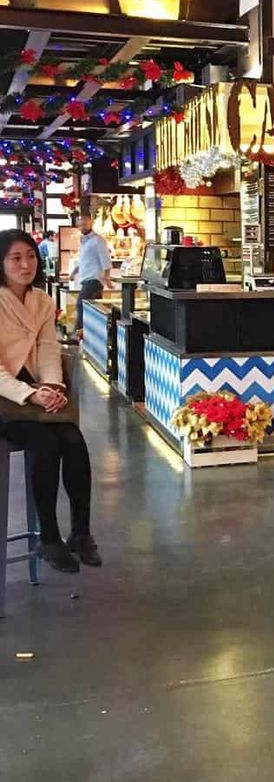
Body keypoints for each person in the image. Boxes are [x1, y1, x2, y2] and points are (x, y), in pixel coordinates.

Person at [0, 229, 99, 572]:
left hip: (36, 390)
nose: (26, 264)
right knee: (44, 443)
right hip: (6, 395)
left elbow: (47, 350)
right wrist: (29, 393)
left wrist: (53, 387)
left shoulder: (41, 300)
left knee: (73, 440)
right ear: (1, 263)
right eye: (15, 258)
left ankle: (81, 533)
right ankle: (49, 537)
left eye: (30, 256)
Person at [71, 213, 112, 334]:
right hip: (87, 280)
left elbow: (105, 259)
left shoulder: (97, 240)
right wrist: (73, 273)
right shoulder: (85, 241)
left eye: (85, 223)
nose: (82, 226)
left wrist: (107, 278)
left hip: (94, 280)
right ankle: (89, 335)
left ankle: (80, 334)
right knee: (92, 310)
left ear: (91, 223)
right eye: (80, 224)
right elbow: (84, 260)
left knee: (81, 305)